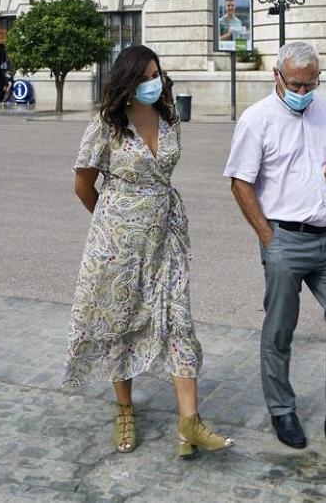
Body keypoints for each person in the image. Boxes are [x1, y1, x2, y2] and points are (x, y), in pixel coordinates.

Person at [64, 44, 234, 459]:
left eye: (156, 74)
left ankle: (189, 423)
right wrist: (113, 221)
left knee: (179, 322)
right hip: (118, 243)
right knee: (121, 323)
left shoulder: (169, 117)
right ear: (126, 83)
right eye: (143, 77)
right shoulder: (106, 125)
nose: (152, 83)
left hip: (167, 237)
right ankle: (124, 409)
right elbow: (84, 185)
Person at [224, 41, 326, 453]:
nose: (303, 91)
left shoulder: (325, 108)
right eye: (295, 84)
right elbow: (240, 182)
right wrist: (267, 239)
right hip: (285, 241)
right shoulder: (256, 120)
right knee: (279, 331)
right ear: (276, 76)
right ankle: (282, 410)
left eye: (310, 83)